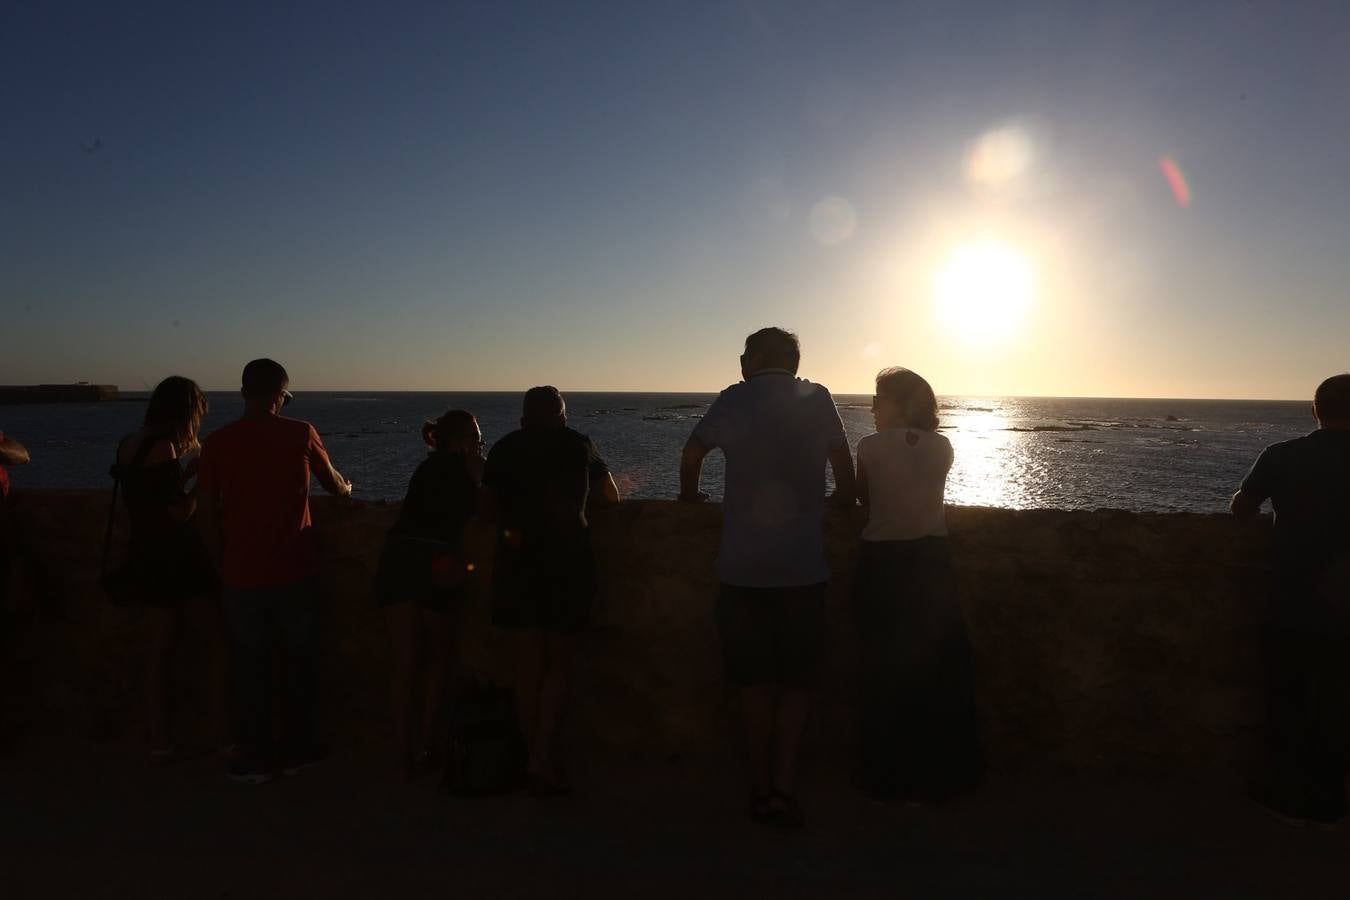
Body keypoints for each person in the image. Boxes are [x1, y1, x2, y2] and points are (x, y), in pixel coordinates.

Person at [678, 327, 856, 829]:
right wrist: (841, 503)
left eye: (743, 354)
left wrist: (690, 500)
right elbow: (843, 468)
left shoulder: (735, 399)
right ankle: (783, 786)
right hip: (802, 569)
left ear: (754, 359)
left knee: (754, 686)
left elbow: (692, 454)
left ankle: (757, 787)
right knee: (796, 686)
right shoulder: (816, 397)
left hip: (742, 570)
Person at [197, 359, 352, 784]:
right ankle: (299, 750)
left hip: (241, 573)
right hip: (294, 568)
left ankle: (254, 756)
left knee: (250, 669)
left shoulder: (218, 443)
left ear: (245, 392)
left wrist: (219, 563)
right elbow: (332, 482)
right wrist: (347, 489)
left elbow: (206, 513)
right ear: (280, 394)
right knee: (298, 664)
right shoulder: (300, 432)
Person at [850, 367, 982, 804]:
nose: (872, 408)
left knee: (882, 668)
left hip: (883, 563)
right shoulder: (942, 447)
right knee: (936, 672)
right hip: (931, 563)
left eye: (878, 400)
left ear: (897, 404)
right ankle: (943, 772)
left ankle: (884, 773)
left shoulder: (869, 447)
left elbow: (865, 500)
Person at [481, 386, 620, 794]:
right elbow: (610, 497)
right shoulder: (578, 443)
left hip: (516, 565)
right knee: (559, 665)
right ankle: (542, 756)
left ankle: (530, 755)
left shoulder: (504, 448)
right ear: (563, 418)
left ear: (523, 419)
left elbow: (486, 508)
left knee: (527, 669)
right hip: (567, 564)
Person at [1230, 373, 1350, 828]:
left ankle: (1288, 796)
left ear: (1315, 410)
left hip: (1291, 597)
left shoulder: (1282, 455)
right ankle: (1332, 798)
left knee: (1287, 697)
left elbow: (1244, 508)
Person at [111, 376, 216, 764]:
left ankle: (160, 740)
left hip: (144, 555)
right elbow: (177, 512)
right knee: (214, 643)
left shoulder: (129, 444)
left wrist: (184, 475)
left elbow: (144, 501)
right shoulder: (165, 446)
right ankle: (220, 734)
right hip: (176, 559)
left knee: (157, 653)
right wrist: (202, 482)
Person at [376, 409, 484, 778]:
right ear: (459, 440)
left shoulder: (425, 469)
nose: (479, 444)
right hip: (438, 561)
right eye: (476, 437)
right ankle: (425, 747)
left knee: (404, 664)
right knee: (438, 660)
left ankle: (400, 754)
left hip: (400, 557)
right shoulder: (471, 469)